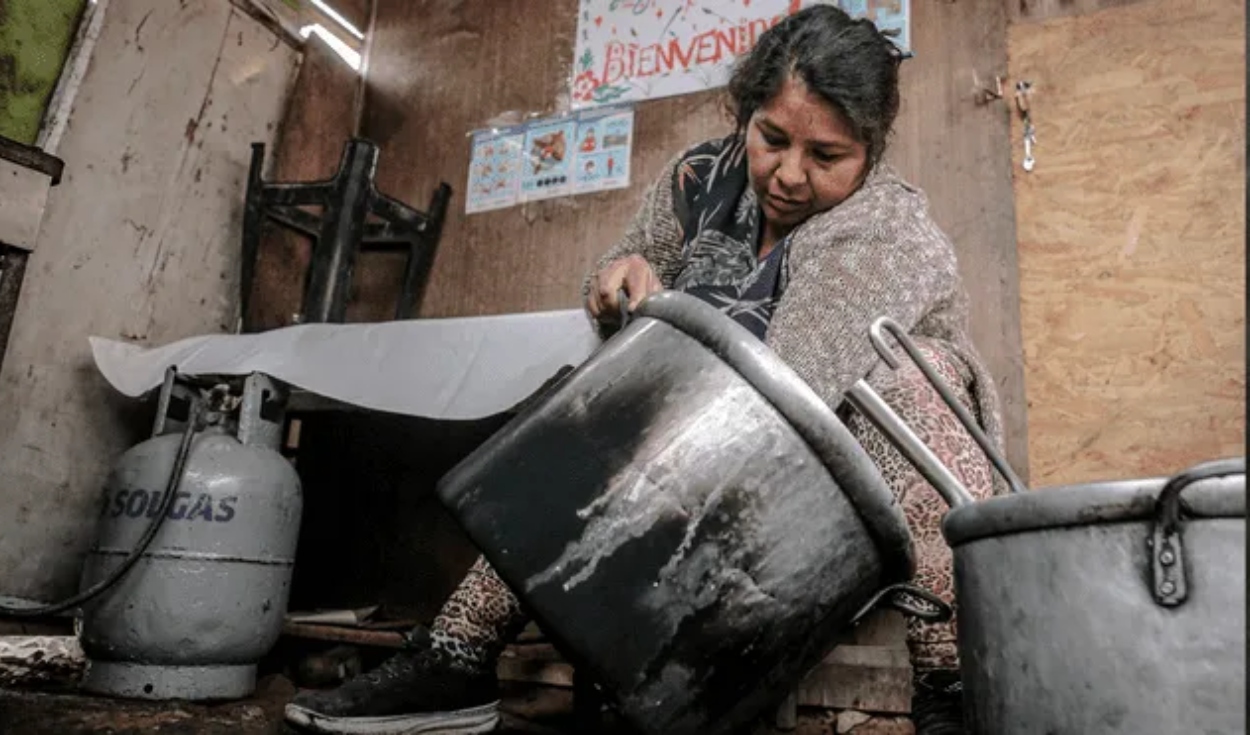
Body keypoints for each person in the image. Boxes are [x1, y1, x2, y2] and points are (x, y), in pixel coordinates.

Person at [284, 6, 1001, 735]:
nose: (787, 174)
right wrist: (621, 274)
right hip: (706, 452)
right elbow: (628, 269)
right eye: (772, 138)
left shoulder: (886, 228)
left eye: (826, 156)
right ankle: (457, 651)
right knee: (618, 379)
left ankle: (951, 684)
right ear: (746, 115)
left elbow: (783, 394)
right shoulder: (700, 177)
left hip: (830, 485)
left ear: (870, 150)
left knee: (911, 378)